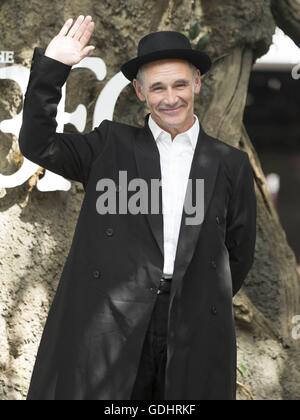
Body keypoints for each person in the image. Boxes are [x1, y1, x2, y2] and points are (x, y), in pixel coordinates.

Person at [19, 15, 257, 400]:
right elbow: (37, 143)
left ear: (197, 82)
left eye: (180, 83)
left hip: (192, 322)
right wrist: (54, 68)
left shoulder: (230, 163)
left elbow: (239, 251)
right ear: (140, 92)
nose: (171, 97)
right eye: (158, 87)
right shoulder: (110, 145)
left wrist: (199, 296)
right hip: (113, 318)